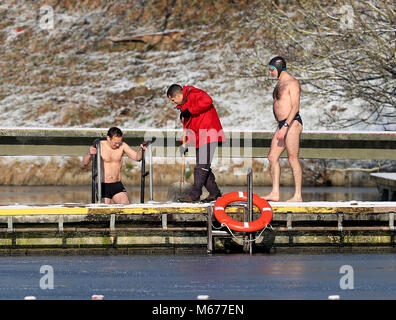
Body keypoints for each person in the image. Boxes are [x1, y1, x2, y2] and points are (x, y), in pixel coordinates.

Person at [167, 84, 225, 203]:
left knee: (201, 167)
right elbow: (188, 128)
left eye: (173, 100)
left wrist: (190, 110)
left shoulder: (194, 93)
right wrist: (185, 144)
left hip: (209, 133)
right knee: (204, 167)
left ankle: (194, 195)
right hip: (200, 137)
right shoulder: (183, 108)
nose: (173, 102)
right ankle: (214, 192)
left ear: (178, 95)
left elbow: (208, 101)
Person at [263, 56, 303, 202]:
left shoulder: (292, 83)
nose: (270, 72)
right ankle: (275, 193)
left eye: (272, 70)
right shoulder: (279, 84)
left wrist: (286, 126)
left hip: (291, 123)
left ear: (279, 68)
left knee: (292, 158)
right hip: (282, 125)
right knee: (272, 157)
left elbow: (295, 107)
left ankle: (297, 195)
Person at [81, 127, 147, 204]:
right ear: (108, 138)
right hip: (102, 185)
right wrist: (90, 154)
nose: (117, 144)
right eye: (115, 142)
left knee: (125, 204)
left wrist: (142, 150)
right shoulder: (99, 145)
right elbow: (84, 164)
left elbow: (137, 157)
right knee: (105, 210)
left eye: (119, 142)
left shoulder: (123, 146)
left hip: (117, 184)